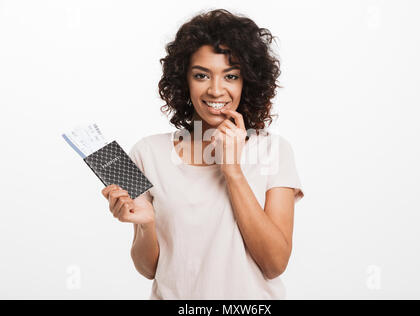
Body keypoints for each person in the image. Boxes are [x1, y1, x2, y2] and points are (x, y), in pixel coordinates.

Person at [101, 8, 304, 300]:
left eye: (230, 76)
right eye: (201, 75)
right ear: (184, 80)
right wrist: (146, 225)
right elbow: (148, 269)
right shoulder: (148, 152)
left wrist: (232, 170)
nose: (216, 90)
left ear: (247, 82)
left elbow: (274, 263)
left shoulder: (273, 151)